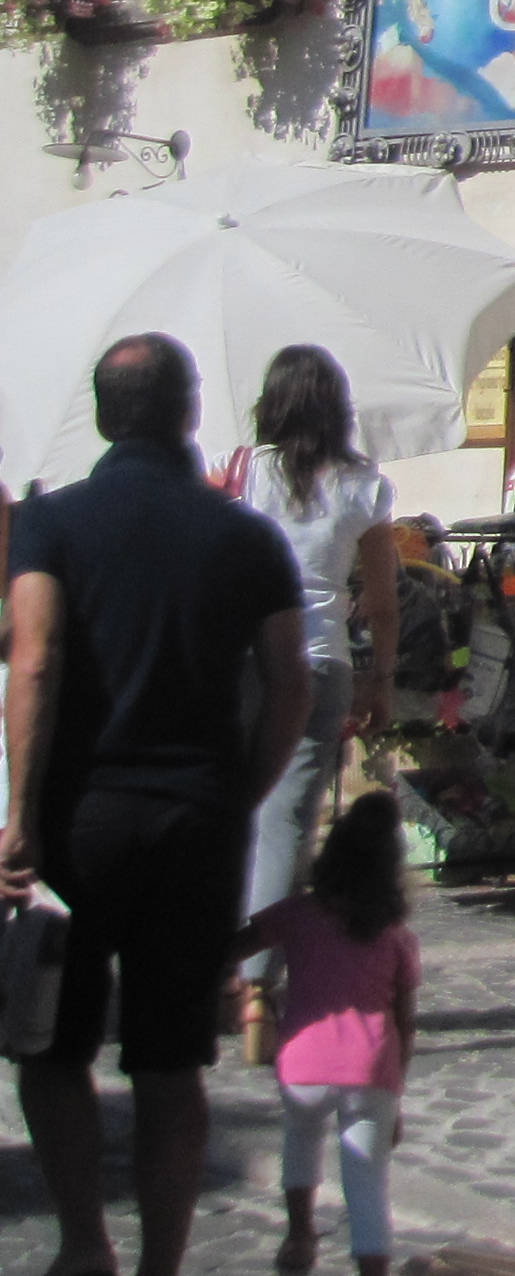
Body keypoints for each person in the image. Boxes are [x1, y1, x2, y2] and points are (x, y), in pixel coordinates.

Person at [2, 333, 310, 1276]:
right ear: (188, 412)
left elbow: (35, 659)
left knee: (51, 1048)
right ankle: (162, 1266)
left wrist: (20, 815)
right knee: (172, 1063)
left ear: (103, 417)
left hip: (78, 819)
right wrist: (243, 790)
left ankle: (83, 1243)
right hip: (195, 818)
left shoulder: (50, 523)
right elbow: (290, 682)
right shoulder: (247, 536)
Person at [228, 347, 400, 1034]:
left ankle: (212, 965)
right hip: (320, 658)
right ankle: (256, 988)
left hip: (243, 655)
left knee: (229, 812)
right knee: (287, 824)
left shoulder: (243, 473)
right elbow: (382, 600)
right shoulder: (363, 486)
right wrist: (381, 679)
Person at [245, 789, 415, 1276]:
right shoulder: (396, 936)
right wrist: (397, 1096)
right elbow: (405, 1021)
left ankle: (299, 1235)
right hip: (371, 1069)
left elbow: (234, 947)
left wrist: (240, 989)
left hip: (303, 1061)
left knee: (300, 1141)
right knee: (366, 1182)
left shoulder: (297, 915)